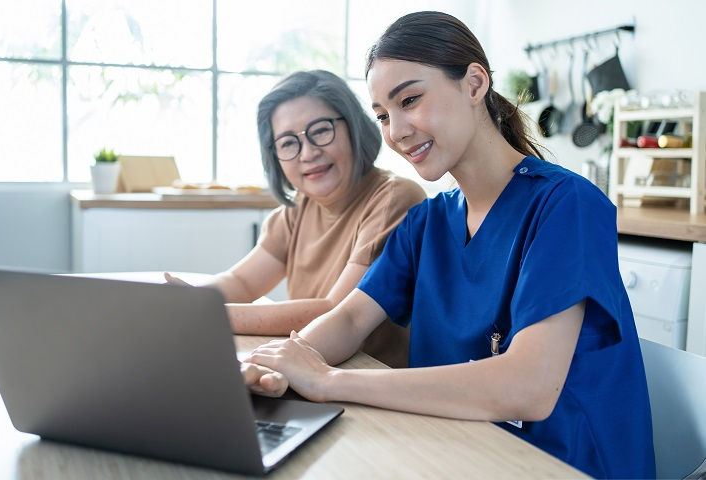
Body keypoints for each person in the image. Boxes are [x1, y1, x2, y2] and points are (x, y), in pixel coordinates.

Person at [241, 12, 655, 479]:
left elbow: (529, 386)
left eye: (410, 100)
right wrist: (278, 366)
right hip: (458, 446)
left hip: (558, 462)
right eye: (382, 115)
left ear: (474, 83)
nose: (395, 131)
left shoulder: (566, 205)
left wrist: (328, 381)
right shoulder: (427, 222)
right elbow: (353, 316)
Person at [167, 70, 426, 368]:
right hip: (308, 368)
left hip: (368, 378)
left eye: (320, 130)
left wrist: (209, 313)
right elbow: (242, 281)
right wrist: (188, 301)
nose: (308, 153)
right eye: (288, 143)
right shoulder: (294, 211)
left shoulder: (394, 197)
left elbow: (336, 310)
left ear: (354, 128)